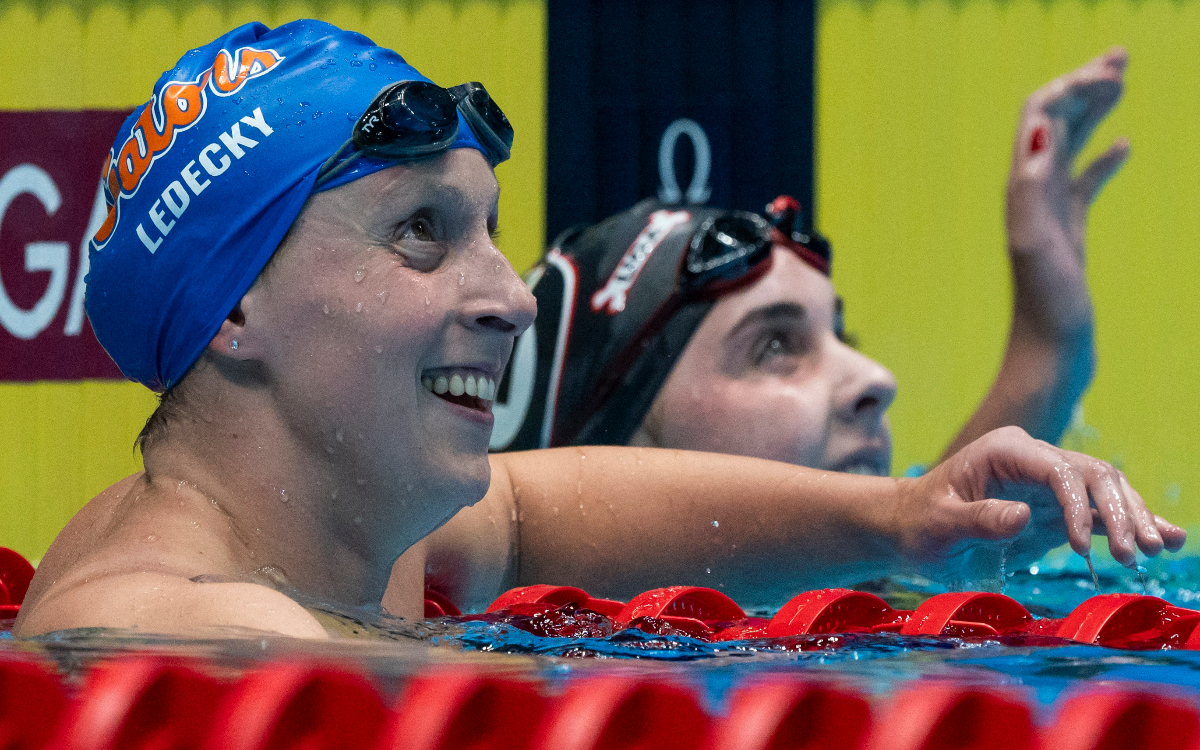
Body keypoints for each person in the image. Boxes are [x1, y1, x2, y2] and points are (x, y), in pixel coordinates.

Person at [14, 24, 1176, 638]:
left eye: (489, 235)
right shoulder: (175, 627)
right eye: (421, 233)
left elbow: (523, 511)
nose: (508, 295)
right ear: (232, 310)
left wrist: (904, 517)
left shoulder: (337, 527)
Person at [404, 49, 1185, 611]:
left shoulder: (882, 605)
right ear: (615, 450)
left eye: (840, 332)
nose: (875, 380)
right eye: (775, 347)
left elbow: (917, 526)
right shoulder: (519, 642)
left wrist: (1051, 343)